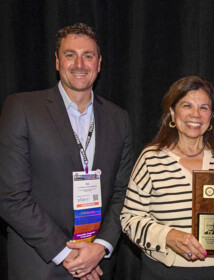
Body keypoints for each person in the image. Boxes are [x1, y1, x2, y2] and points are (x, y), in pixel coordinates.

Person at [0, 23, 133, 280]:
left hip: (99, 266)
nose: (80, 64)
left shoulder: (119, 119)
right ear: (57, 62)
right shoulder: (22, 109)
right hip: (41, 265)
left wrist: (101, 247)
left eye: (88, 55)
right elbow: (11, 197)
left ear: (99, 63)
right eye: (70, 55)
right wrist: (67, 254)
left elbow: (123, 193)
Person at [121, 76, 214, 280]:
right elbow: (129, 219)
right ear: (172, 112)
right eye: (187, 105)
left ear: (212, 117)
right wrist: (168, 236)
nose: (196, 114)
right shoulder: (151, 158)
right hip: (165, 273)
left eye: (204, 108)